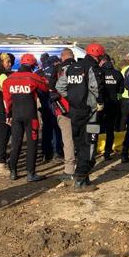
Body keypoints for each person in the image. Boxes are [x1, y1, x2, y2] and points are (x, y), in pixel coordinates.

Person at [56, 43, 106, 191]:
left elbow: (60, 87)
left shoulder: (70, 68)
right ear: (99, 55)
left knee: (79, 144)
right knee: (90, 144)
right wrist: (99, 102)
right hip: (90, 113)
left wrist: (72, 98)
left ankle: (83, 178)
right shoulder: (92, 68)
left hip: (74, 112)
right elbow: (96, 87)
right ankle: (80, 180)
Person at [2, 53, 48, 182]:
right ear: (33, 65)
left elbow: (7, 100)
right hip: (30, 115)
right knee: (32, 143)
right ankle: (30, 174)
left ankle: (13, 172)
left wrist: (8, 114)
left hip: (16, 115)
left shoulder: (9, 79)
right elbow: (45, 87)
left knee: (16, 143)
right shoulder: (33, 77)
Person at [50, 48, 77, 183]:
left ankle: (70, 169)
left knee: (68, 140)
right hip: (80, 108)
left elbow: (52, 87)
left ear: (62, 57)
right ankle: (84, 165)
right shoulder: (80, 67)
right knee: (80, 136)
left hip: (63, 108)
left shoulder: (58, 69)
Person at [38, 55, 63, 161]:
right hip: (54, 102)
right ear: (56, 62)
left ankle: (45, 152)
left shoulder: (38, 72)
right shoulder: (57, 71)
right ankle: (57, 152)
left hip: (43, 103)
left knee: (46, 127)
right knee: (56, 127)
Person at [101, 56, 124, 159]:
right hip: (113, 104)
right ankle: (107, 152)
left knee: (97, 128)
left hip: (100, 105)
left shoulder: (99, 73)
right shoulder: (117, 74)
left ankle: (94, 150)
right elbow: (121, 91)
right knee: (110, 129)